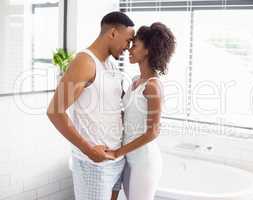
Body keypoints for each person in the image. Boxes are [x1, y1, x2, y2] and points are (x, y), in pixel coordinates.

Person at [46, 11, 134, 200]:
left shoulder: (111, 65)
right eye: (128, 40)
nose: (128, 47)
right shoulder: (85, 61)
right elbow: (54, 111)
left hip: (116, 159)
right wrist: (89, 150)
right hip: (94, 164)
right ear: (112, 33)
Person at [108, 22, 176, 200]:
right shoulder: (136, 81)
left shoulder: (153, 86)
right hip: (130, 158)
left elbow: (153, 132)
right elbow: (127, 115)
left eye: (135, 45)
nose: (129, 50)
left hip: (144, 162)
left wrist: (118, 152)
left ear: (148, 50)